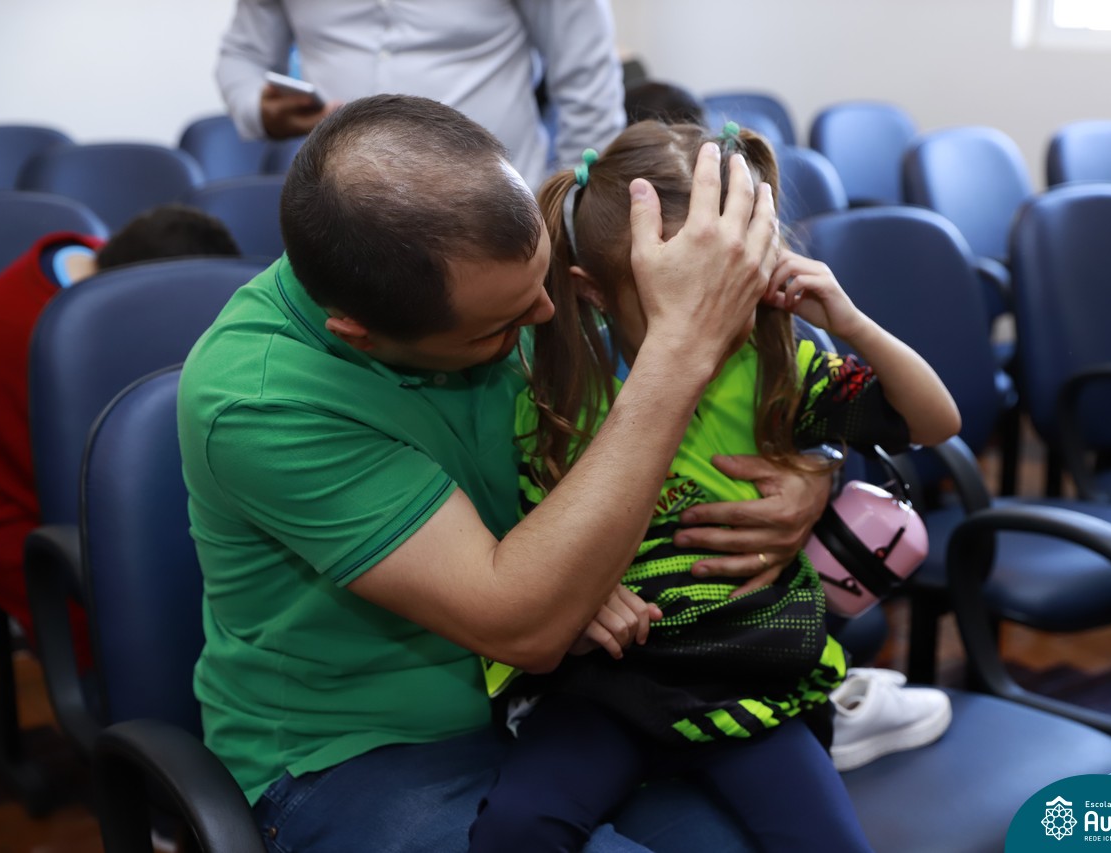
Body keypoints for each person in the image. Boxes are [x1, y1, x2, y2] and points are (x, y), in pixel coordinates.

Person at [177, 94, 838, 852]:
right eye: (501, 328)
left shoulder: (491, 279)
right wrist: (678, 352)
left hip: (559, 694)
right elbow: (525, 623)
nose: (547, 319)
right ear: (359, 335)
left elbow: (754, 389)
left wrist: (812, 467)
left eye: (544, 282)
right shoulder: (257, 400)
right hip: (361, 748)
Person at [467, 121, 961, 852]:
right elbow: (523, 543)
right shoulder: (556, 398)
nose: (716, 314)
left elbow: (934, 420)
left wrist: (851, 322)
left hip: (745, 684)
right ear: (593, 291)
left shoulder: (773, 372)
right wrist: (580, 593)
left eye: (733, 283)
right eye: (679, 292)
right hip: (605, 690)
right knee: (517, 828)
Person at [0, 205, 240, 665]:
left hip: (45, 462)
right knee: (128, 621)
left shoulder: (110, 262)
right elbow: (84, 487)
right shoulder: (36, 336)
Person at [215, 0, 626, 188]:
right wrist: (257, 109)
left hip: (499, 211)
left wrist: (575, 206)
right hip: (339, 207)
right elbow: (241, 56)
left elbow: (587, 76)